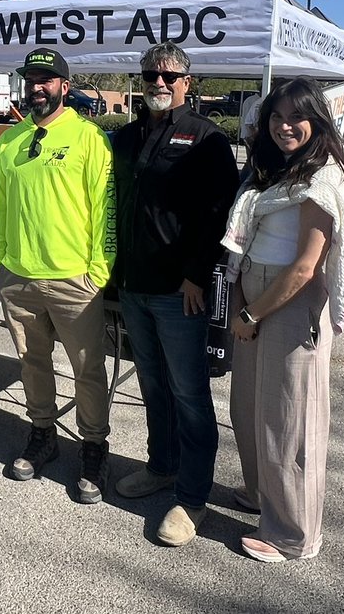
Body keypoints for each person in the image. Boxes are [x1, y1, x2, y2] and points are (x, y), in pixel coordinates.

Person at [220, 77, 344, 562]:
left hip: (290, 300)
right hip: (255, 289)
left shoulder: (322, 177)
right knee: (248, 407)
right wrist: (243, 295)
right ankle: (263, 495)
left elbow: (306, 266)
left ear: (317, 121)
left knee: (289, 420)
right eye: (277, 117)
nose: (285, 126)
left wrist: (249, 312)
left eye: (296, 117)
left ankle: (292, 534)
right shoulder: (274, 169)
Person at [111, 42, 239, 545]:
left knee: (190, 395)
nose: (159, 84)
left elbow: (218, 216)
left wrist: (196, 275)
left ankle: (191, 497)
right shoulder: (124, 138)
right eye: (150, 76)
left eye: (169, 76)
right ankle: (161, 465)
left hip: (179, 290)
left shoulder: (206, 140)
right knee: (152, 385)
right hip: (133, 284)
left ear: (188, 82)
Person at [0, 48, 116, 504]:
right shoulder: (9, 141)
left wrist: (98, 270)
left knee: (88, 369)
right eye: (31, 80)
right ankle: (42, 433)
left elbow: (106, 208)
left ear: (65, 86)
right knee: (32, 362)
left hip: (74, 280)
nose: (37, 87)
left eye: (47, 80)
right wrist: (0, 260)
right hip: (18, 278)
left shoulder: (88, 138)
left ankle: (94, 447)